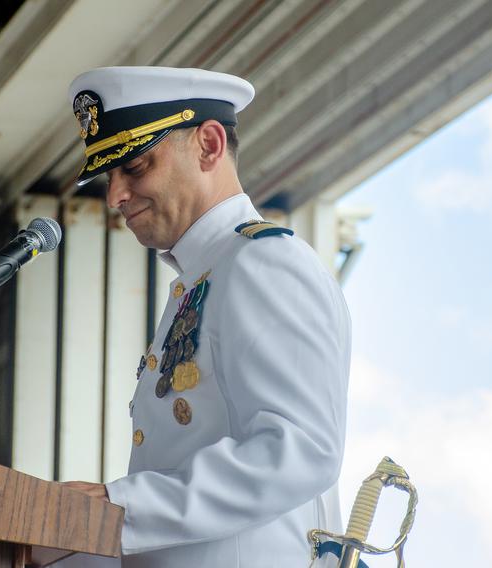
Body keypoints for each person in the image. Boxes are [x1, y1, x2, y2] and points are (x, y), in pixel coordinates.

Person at [60, 67, 351, 568]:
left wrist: (113, 513)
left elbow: (300, 451)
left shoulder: (263, 262)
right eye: (109, 178)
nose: (115, 197)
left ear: (209, 145)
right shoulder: (201, 278)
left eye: (134, 167)